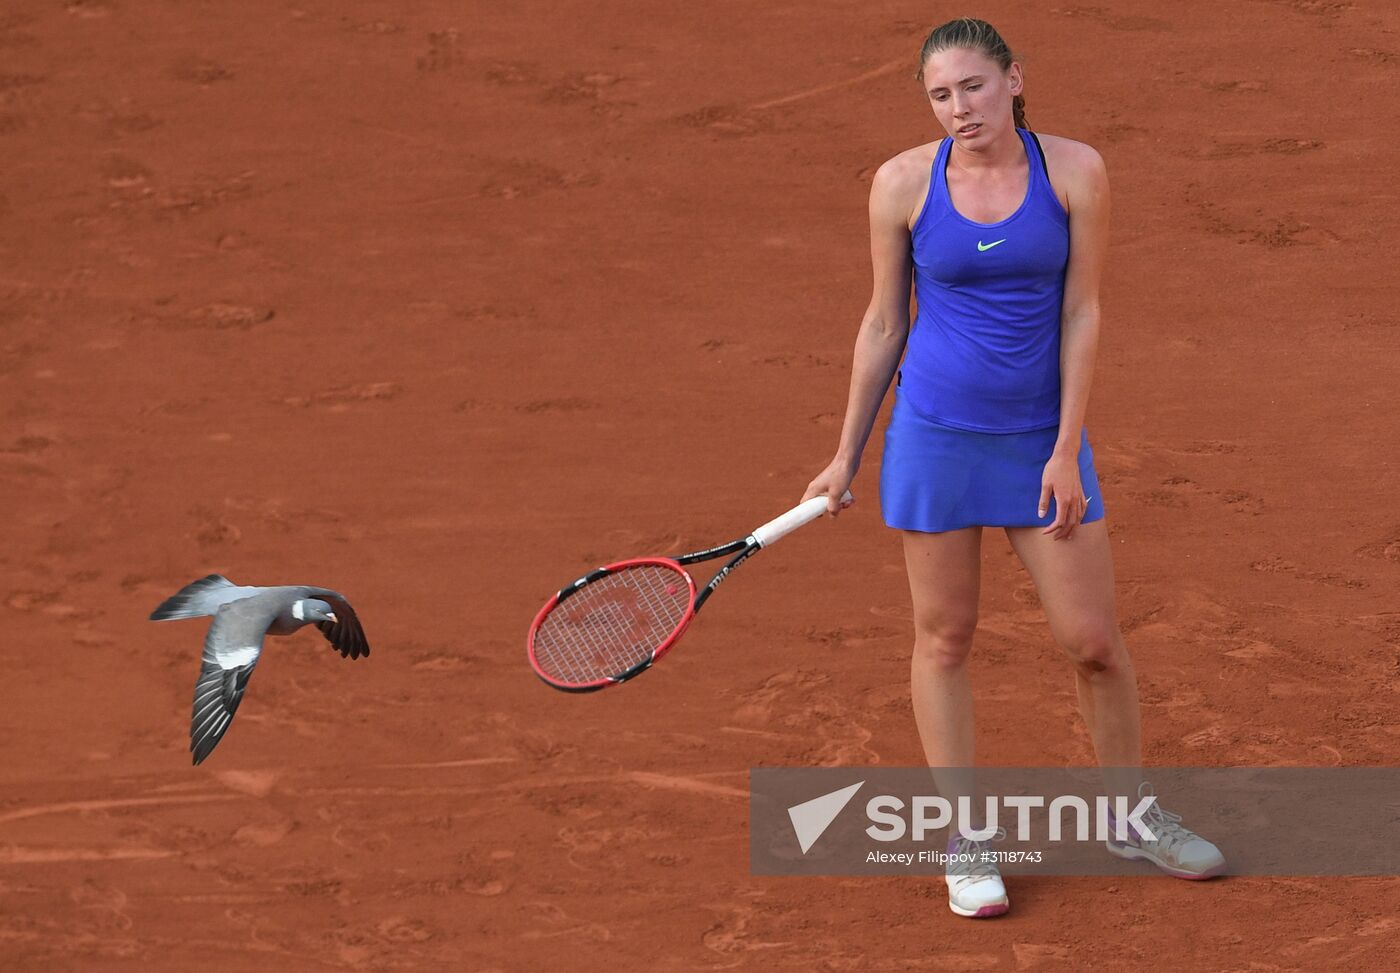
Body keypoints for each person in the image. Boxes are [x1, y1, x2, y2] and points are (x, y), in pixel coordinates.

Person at [801, 17, 1223, 918]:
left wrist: (1066, 446)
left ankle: (1129, 815)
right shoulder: (902, 184)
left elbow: (1082, 311)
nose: (960, 109)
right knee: (944, 639)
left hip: (1039, 442)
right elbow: (884, 325)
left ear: (1014, 80)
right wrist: (845, 454)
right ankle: (967, 840)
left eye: (974, 87)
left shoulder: (1075, 171)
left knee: (1095, 643)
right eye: (941, 95)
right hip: (935, 439)